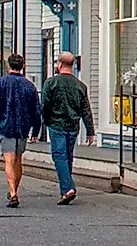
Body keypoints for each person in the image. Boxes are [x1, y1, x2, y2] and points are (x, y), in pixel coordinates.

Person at [0, 52, 45, 209]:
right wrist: (35, 130)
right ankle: (14, 189)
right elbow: (36, 110)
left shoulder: (1, 83)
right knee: (18, 160)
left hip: (5, 127)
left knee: (8, 159)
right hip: (23, 127)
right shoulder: (29, 86)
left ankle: (12, 192)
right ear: (23, 66)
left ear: (8, 65)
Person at [41, 53, 96, 204]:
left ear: (59, 64)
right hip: (73, 126)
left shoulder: (51, 83)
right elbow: (86, 109)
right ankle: (66, 189)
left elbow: (45, 105)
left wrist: (45, 122)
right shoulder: (80, 86)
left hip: (56, 124)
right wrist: (90, 131)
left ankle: (67, 189)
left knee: (59, 156)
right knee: (68, 157)